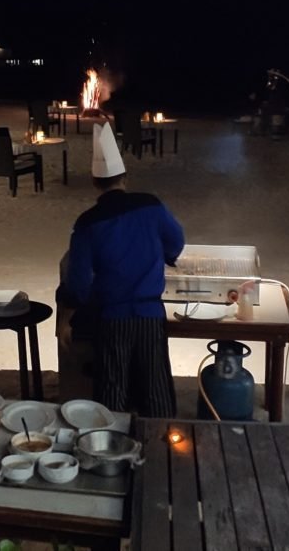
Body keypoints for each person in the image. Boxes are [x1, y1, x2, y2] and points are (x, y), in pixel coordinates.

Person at [57, 122, 185, 417]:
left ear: (94, 182)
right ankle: (162, 449)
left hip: (113, 320)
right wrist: (163, 255)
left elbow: (78, 283)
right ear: (125, 177)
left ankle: (109, 447)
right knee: (156, 393)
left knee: (112, 393)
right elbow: (176, 241)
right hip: (151, 316)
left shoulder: (88, 222)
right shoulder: (150, 205)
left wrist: (66, 319)